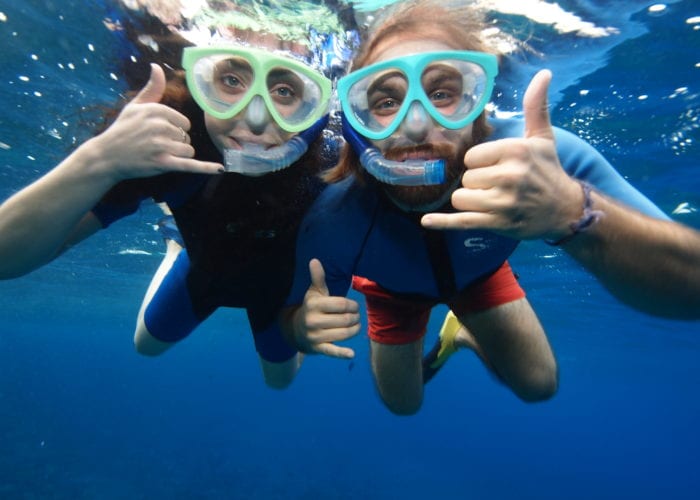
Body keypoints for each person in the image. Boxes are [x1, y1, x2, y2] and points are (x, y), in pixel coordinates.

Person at [281, 0, 700, 415]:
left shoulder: (538, 160)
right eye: (386, 102)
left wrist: (572, 209)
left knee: (539, 385)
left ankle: (462, 332)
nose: (413, 126)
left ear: (478, 97)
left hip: (479, 276)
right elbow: (291, 321)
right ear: (357, 120)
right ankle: (452, 335)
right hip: (392, 295)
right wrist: (303, 329)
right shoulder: (334, 220)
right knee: (403, 404)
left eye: (442, 93)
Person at [0, 1, 351, 389]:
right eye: (232, 81)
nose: (254, 118)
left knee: (279, 381)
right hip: (205, 270)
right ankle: (174, 245)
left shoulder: (333, 160)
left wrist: (305, 324)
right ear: (200, 80)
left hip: (278, 293)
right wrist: (101, 160)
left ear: (316, 103)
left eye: (284, 91)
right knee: (145, 345)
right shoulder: (171, 142)